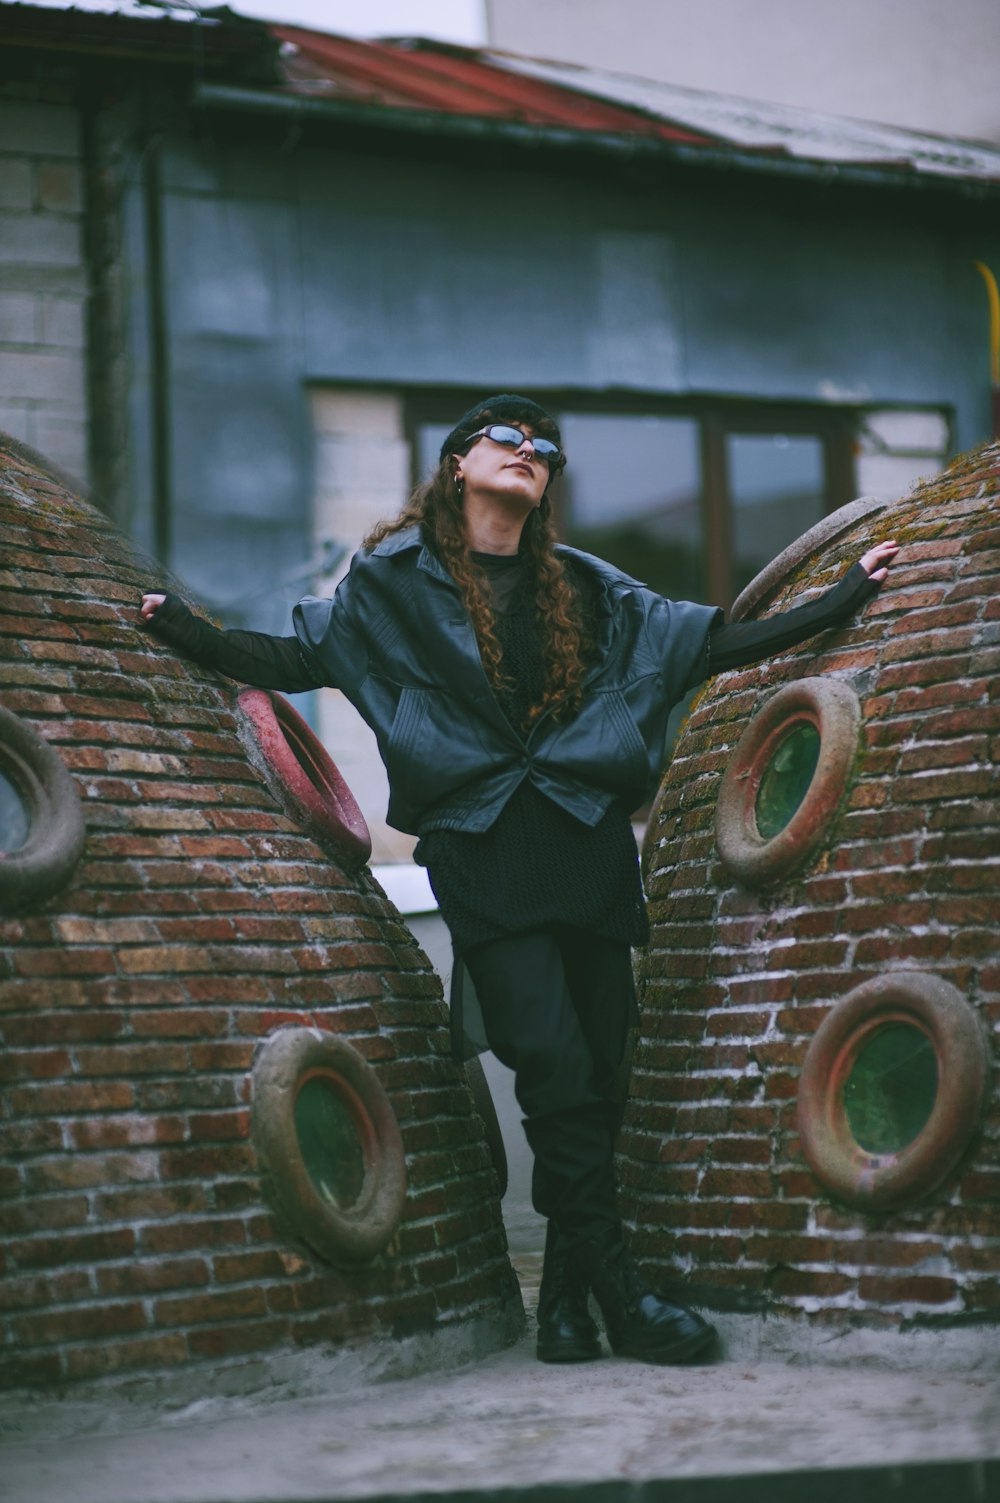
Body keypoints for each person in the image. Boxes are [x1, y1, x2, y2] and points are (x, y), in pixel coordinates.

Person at [141, 393, 898, 1367]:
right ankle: (622, 1298)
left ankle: (567, 1308)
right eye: (510, 437)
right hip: (481, 847)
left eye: (545, 447)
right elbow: (291, 656)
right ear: (458, 462)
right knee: (551, 1066)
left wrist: (842, 596)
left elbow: (705, 643)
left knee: (602, 1072)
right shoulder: (386, 589)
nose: (531, 453)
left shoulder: (584, 588)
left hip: (582, 842)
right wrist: (183, 631)